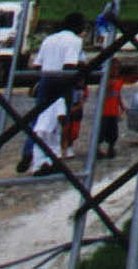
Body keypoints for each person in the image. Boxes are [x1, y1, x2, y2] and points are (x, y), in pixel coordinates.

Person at [20, 12, 85, 169]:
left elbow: (37, 65)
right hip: (62, 80)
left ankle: (29, 151)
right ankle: (51, 157)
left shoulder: (49, 39)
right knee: (59, 120)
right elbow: (69, 65)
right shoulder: (75, 41)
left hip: (45, 78)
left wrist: (34, 84)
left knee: (38, 118)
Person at [97, 68, 127, 159]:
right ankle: (97, 149)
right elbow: (98, 93)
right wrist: (107, 86)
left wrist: (122, 106)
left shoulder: (119, 82)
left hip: (114, 112)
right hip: (104, 112)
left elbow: (118, 95)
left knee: (113, 132)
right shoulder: (105, 82)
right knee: (101, 131)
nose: (115, 71)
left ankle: (111, 149)